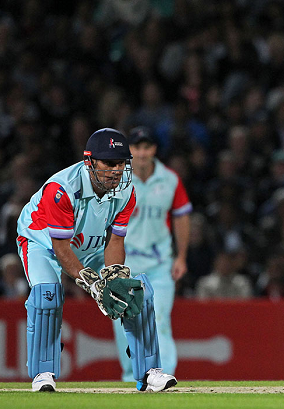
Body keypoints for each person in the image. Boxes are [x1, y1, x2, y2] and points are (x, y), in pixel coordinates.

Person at [16, 127, 177, 392]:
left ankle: (149, 372)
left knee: (134, 291)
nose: (116, 171)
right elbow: (61, 249)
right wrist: (91, 284)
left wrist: (113, 274)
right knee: (47, 295)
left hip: (90, 246)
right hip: (42, 243)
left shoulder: (127, 192)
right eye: (109, 163)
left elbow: (115, 241)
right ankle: (43, 373)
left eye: (122, 164)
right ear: (89, 162)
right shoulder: (61, 189)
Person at [112, 126, 192, 381]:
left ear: (154, 149)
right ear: (130, 151)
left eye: (147, 147)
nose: (142, 153)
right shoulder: (117, 179)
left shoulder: (169, 179)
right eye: (137, 148)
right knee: (123, 321)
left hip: (160, 264)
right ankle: (131, 376)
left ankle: (164, 374)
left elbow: (182, 218)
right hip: (124, 263)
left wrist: (181, 257)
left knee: (159, 319)